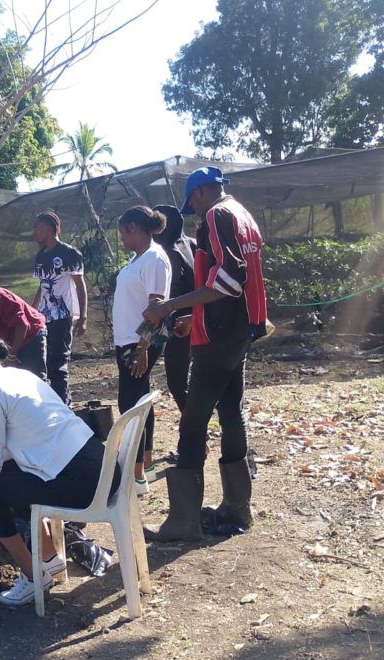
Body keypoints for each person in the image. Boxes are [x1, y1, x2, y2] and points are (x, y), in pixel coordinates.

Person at [0, 338, 119, 606]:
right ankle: (49, 558)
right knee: (13, 473)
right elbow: (9, 448)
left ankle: (33, 577)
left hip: (83, 484)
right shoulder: (19, 375)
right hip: (103, 467)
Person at [141, 167, 268, 541]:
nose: (194, 212)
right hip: (242, 328)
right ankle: (237, 508)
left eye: (192, 203)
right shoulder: (243, 215)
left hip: (219, 336)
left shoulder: (216, 215)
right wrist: (191, 316)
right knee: (230, 412)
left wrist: (169, 306)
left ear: (199, 192)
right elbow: (236, 284)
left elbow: (227, 280)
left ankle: (183, 521)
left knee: (193, 423)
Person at [113, 206, 172, 495]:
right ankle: (144, 466)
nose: (122, 239)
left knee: (129, 405)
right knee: (139, 402)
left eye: (123, 233)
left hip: (137, 343)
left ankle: (135, 477)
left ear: (133, 227)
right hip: (128, 341)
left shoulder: (154, 259)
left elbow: (156, 309)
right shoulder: (139, 258)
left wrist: (142, 348)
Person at [31, 211, 87, 405]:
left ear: (48, 228)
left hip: (62, 317)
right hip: (44, 319)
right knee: (47, 364)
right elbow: (42, 286)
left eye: (37, 227)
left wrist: (83, 317)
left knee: (58, 364)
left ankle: (63, 407)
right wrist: (32, 313)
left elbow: (80, 285)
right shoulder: (41, 256)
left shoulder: (69, 254)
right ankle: (57, 404)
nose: (34, 232)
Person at [153, 204, 197, 413]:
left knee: (177, 381)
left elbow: (167, 292)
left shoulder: (166, 252)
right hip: (199, 316)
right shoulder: (193, 244)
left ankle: (194, 427)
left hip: (177, 322)